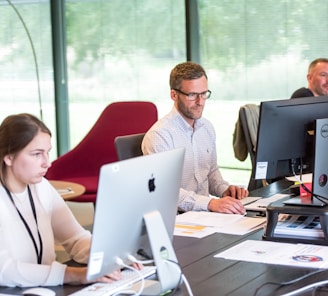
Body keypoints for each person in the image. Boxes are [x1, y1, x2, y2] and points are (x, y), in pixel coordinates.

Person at [0, 113, 141, 287]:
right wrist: (74, 274)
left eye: (47, 153)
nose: (47, 163)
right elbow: (4, 271)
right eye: (36, 154)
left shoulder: (41, 186)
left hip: (43, 288)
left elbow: (76, 239)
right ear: (9, 157)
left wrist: (111, 257)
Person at [142, 61, 248, 215]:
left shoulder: (207, 128)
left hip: (205, 215)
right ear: (174, 95)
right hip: (177, 218)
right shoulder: (159, 136)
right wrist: (210, 203)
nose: (200, 102)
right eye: (192, 95)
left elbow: (211, 173)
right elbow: (165, 190)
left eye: (204, 94)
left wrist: (225, 190)